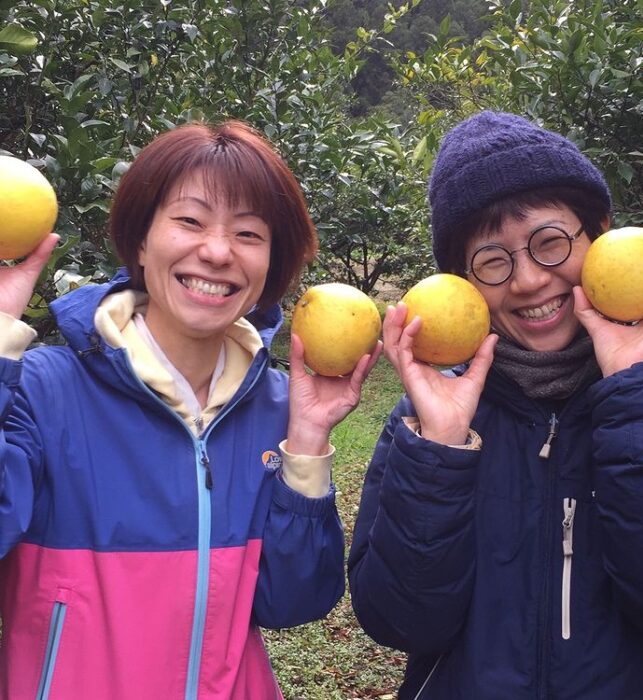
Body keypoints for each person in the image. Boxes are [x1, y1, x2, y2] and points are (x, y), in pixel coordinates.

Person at [0, 120, 381, 699]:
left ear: (270, 266)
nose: (218, 251)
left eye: (249, 234)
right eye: (190, 220)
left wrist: (306, 444)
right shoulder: (41, 391)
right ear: (141, 240)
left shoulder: (277, 407)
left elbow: (291, 603)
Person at [348, 111, 643, 698]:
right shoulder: (428, 423)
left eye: (550, 242)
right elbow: (400, 622)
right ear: (462, 281)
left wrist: (638, 389)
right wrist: (440, 449)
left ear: (601, 234)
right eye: (492, 259)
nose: (531, 280)